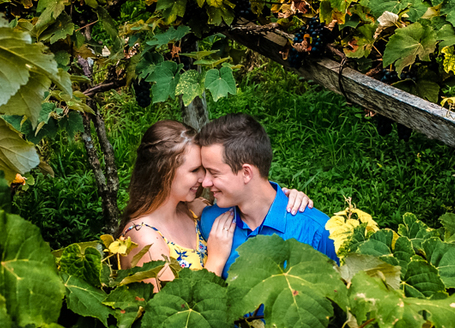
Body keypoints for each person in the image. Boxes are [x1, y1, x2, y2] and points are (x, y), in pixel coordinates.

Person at [118, 120, 313, 285]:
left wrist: (286, 198)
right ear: (163, 173)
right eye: (195, 170)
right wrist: (216, 260)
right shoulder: (143, 238)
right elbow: (173, 316)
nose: (204, 179)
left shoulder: (194, 210)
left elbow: (251, 193)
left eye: (205, 169)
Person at [197, 113, 337, 278]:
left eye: (213, 173)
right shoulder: (210, 221)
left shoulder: (318, 231)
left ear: (246, 173)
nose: (205, 182)